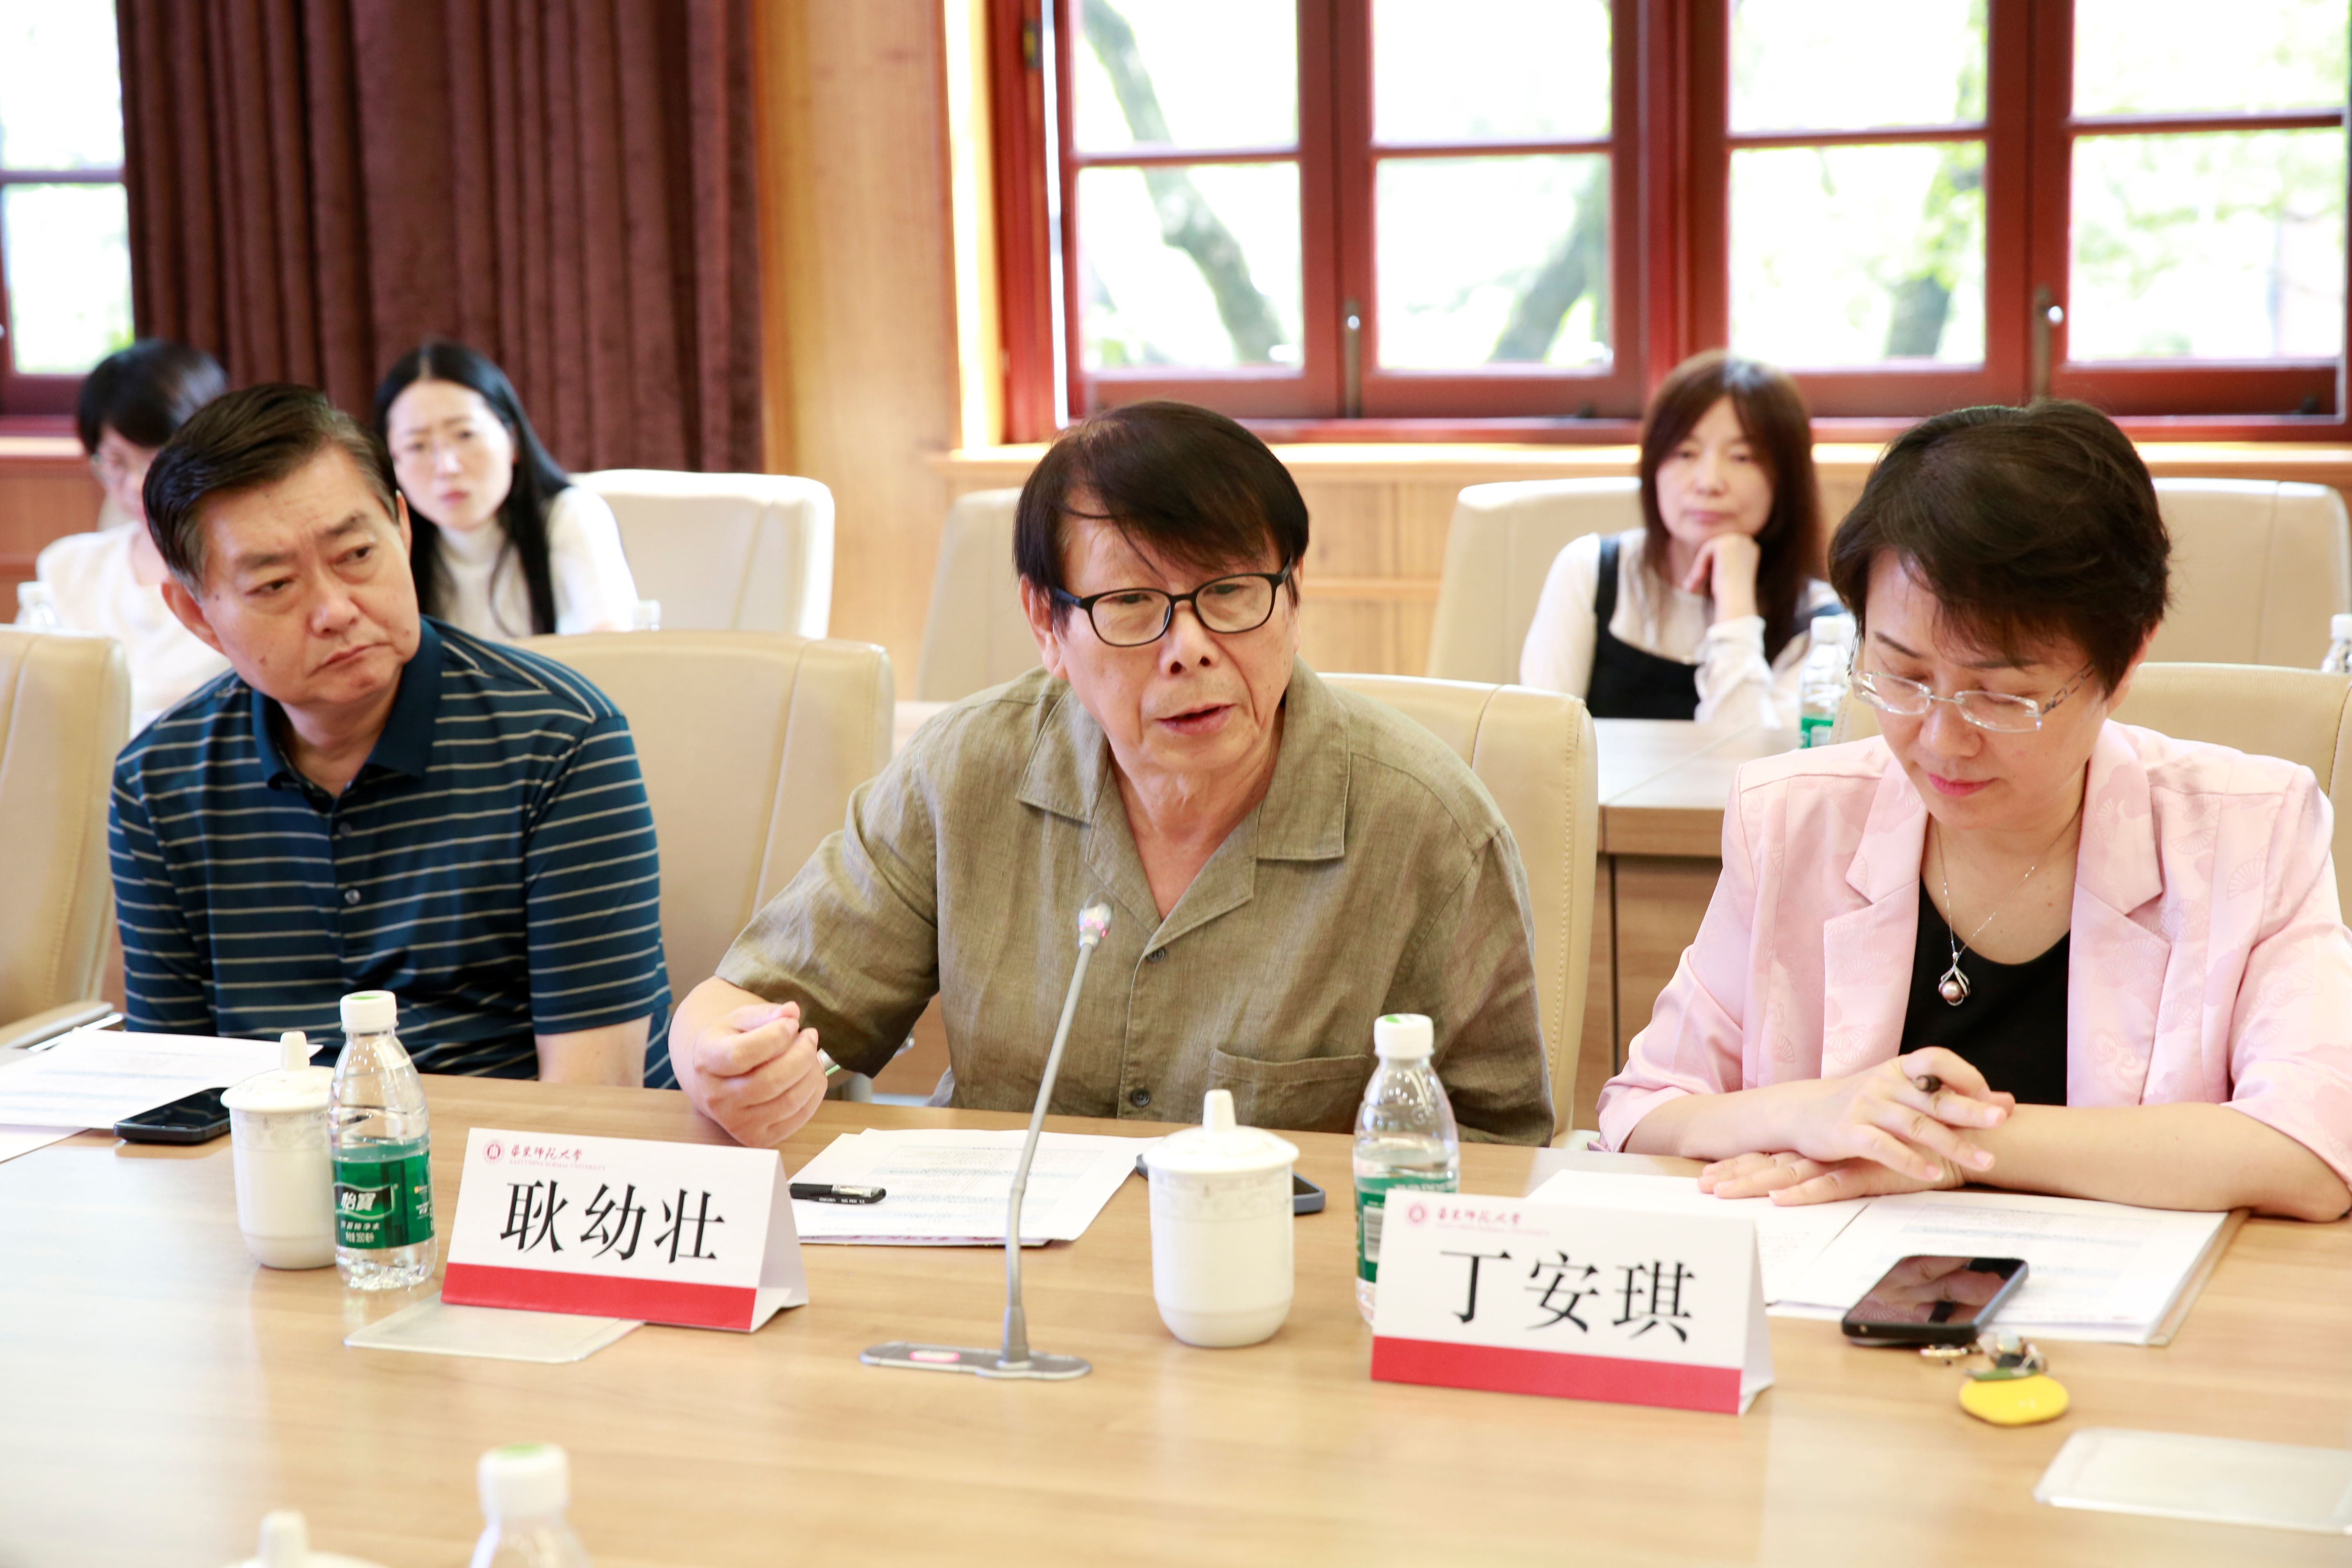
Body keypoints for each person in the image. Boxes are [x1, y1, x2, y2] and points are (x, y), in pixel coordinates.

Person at [668, 400, 1552, 1147]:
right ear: (1046, 625)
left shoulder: (1429, 830)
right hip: (1002, 1263)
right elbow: (744, 1002)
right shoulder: (967, 772)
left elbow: (1500, 1149)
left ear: (1292, 593)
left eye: (1231, 592)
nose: (1190, 649)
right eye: (1132, 604)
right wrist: (724, 1063)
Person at [1597, 401, 2352, 1221]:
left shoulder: (2253, 829)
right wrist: (1811, 1110)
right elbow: (1643, 1111)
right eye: (1903, 677)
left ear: (2127, 658)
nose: (1942, 740)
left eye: (2001, 696)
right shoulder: (1795, 818)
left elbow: (2314, 1148)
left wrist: (1942, 1141)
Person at [109, 383, 671, 1085]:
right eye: (276, 585)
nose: (336, 610)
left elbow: (591, 1095)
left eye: (356, 554)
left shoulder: (561, 742)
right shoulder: (157, 783)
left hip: (509, 1147)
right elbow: (173, 1091)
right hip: (268, 1150)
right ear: (197, 616)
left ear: (402, 530)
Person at [1519, 351, 1840, 724]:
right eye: (1685, 453)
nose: (1708, 482)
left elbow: (1750, 756)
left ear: (1786, 478)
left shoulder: (1821, 623)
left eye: (1742, 457)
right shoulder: (1591, 571)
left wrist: (1735, 603)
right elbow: (1541, 739)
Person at [373, 339, 638, 639]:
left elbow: (613, 650)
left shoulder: (571, 516)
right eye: (417, 446)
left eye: (465, 434)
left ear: (512, 440)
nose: (446, 466)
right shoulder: (389, 548)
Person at [33, 339, 232, 729]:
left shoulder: (246, 567)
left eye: (156, 459)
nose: (137, 483)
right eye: (116, 462)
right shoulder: (68, 567)